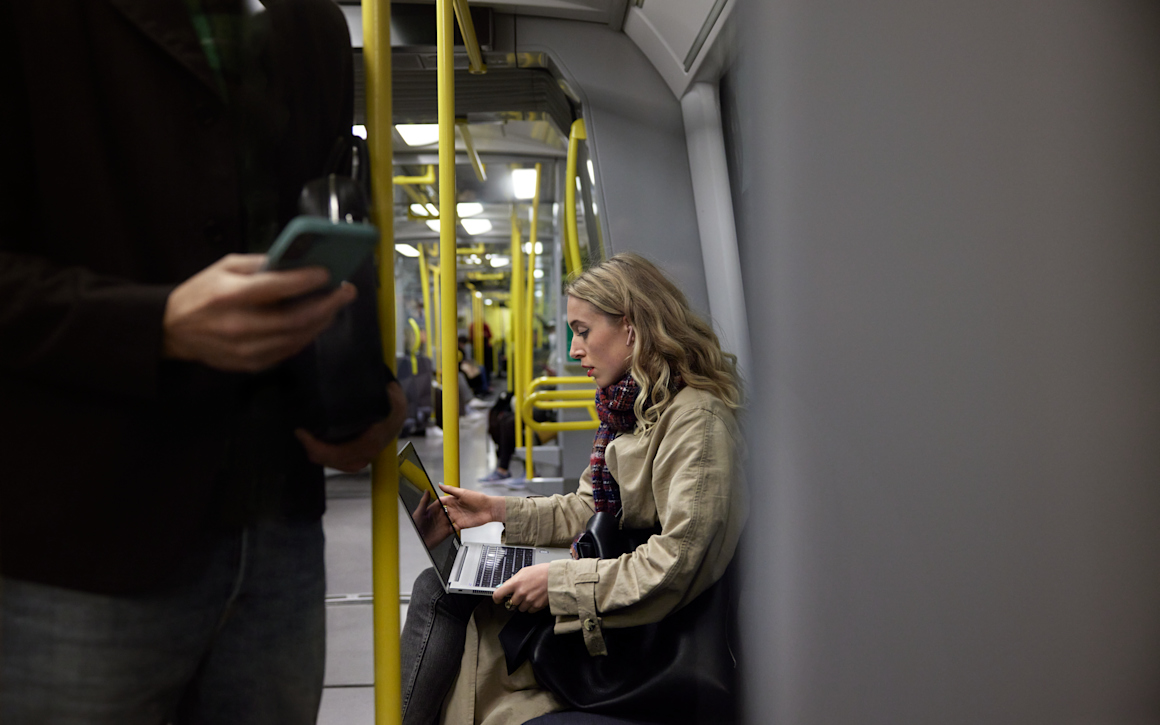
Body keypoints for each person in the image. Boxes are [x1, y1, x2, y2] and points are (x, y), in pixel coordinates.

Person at [0, 2, 404, 723]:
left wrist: (361, 385)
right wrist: (152, 324)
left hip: (278, 523)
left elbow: (321, 222)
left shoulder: (312, 26)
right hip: (82, 537)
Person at [400, 253, 747, 725]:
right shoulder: (633, 409)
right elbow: (589, 507)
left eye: (583, 331)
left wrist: (559, 583)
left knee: (446, 597)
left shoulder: (695, 422)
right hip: (618, 595)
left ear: (631, 328)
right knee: (441, 587)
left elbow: (677, 563)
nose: (575, 349)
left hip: (650, 638)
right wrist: (496, 511)